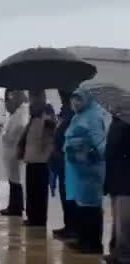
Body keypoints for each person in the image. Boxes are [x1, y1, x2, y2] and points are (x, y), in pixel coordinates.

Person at [64, 86, 109, 254]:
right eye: (73, 98)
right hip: (79, 170)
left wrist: (90, 154)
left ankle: (93, 244)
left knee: (91, 207)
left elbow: (100, 144)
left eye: (79, 98)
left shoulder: (94, 116)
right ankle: (83, 240)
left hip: (91, 169)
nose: (75, 102)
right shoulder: (78, 116)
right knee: (81, 206)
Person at [20, 89, 56, 227]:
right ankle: (32, 216)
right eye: (31, 96)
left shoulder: (46, 112)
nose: (32, 99)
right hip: (31, 157)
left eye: (34, 96)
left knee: (39, 191)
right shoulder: (33, 113)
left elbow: (50, 133)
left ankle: (39, 219)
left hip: (41, 159)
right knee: (31, 190)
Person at [0, 89, 29, 217]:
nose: (6, 106)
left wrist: (4, 134)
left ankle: (16, 207)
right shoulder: (16, 113)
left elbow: (15, 132)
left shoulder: (21, 114)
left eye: (7, 102)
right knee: (13, 181)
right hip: (11, 153)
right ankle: (14, 206)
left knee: (16, 181)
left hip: (14, 152)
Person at [104, 106, 130, 264]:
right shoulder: (116, 122)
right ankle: (116, 250)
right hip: (115, 177)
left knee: (124, 220)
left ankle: (124, 255)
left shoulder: (124, 123)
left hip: (125, 178)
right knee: (117, 218)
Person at [51, 90, 78, 241]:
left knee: (69, 196)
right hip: (60, 161)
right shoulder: (64, 112)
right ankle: (69, 226)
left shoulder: (71, 114)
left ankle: (72, 228)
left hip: (66, 161)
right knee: (64, 194)